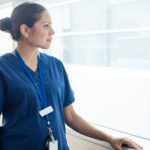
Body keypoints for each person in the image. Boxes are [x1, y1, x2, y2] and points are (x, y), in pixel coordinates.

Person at [0, 2, 143, 150]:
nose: (53, 32)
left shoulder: (56, 65)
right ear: (25, 30)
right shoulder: (3, 68)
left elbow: (71, 116)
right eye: (46, 25)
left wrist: (109, 138)